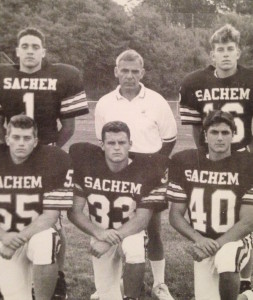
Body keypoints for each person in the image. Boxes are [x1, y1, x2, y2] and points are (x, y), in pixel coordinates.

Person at [0, 27, 89, 299]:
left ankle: (56, 276)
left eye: (35, 46)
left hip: (46, 148)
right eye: (24, 46)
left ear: (44, 51)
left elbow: (69, 125)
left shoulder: (63, 75)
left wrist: (50, 151)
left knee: (52, 222)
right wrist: (9, 149)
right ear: (17, 51)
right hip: (12, 149)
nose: (29, 51)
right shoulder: (4, 76)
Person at [95, 49, 177, 300]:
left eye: (134, 71)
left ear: (142, 73)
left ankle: (159, 283)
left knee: (152, 229)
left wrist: (151, 167)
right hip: (117, 172)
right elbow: (104, 140)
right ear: (116, 71)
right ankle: (113, 284)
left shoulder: (156, 100)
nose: (129, 76)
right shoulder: (105, 102)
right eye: (124, 70)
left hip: (148, 170)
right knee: (116, 225)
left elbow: (170, 139)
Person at [179, 23, 253, 294]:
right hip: (211, 156)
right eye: (219, 50)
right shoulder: (195, 82)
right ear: (212, 55)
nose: (224, 54)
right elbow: (197, 127)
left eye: (230, 49)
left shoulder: (250, 79)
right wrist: (204, 155)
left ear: (238, 53)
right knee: (214, 211)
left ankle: (245, 275)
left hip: (243, 154)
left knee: (245, 217)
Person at [68, 121, 169, 300]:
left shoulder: (145, 170)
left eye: (122, 143)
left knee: (135, 249)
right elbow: (75, 211)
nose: (116, 148)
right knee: (107, 295)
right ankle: (120, 288)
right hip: (99, 234)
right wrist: (99, 234)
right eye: (111, 143)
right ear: (102, 145)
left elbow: (141, 220)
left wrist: (108, 240)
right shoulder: (87, 167)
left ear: (130, 144)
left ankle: (132, 296)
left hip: (130, 231)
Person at [167, 110, 253, 300]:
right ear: (205, 135)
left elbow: (248, 222)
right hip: (203, 241)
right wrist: (199, 240)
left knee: (226, 258)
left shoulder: (247, 165)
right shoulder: (185, 162)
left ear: (233, 135)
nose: (220, 138)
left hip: (236, 240)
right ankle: (247, 296)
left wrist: (216, 245)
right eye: (214, 132)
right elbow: (175, 215)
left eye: (225, 132)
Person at [0, 114, 73, 300]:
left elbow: (50, 216)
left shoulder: (51, 160)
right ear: (7, 139)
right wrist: (4, 236)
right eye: (16, 137)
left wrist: (18, 238)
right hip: (3, 237)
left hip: (33, 234)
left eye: (27, 138)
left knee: (47, 238)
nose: (21, 143)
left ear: (36, 141)